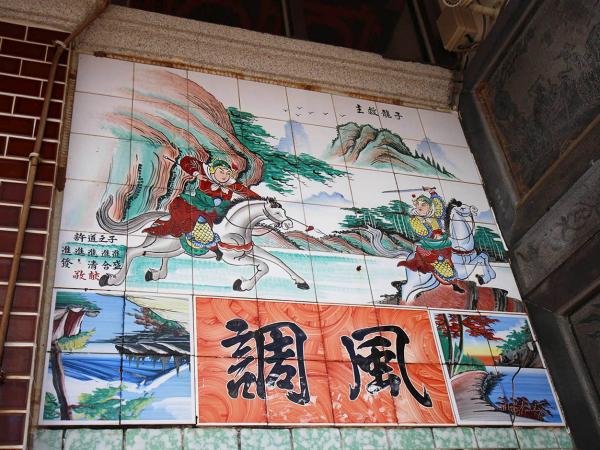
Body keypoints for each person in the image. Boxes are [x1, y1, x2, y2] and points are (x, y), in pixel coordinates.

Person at [143, 155, 261, 259]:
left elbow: (247, 192)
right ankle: (209, 247)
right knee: (200, 220)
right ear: (213, 170)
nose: (224, 176)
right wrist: (197, 173)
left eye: (227, 173)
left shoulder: (231, 184)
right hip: (199, 204)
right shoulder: (205, 172)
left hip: (218, 210)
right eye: (221, 172)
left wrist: (262, 200)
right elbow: (186, 161)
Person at [397, 186, 464, 292]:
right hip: (429, 244)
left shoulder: (434, 214)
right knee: (438, 262)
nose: (420, 207)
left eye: (423, 205)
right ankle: (452, 282)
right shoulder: (416, 220)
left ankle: (454, 278)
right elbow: (422, 232)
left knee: (452, 255)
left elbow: (439, 206)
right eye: (418, 205)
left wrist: (432, 192)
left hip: (442, 242)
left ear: (429, 206)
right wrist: (432, 234)